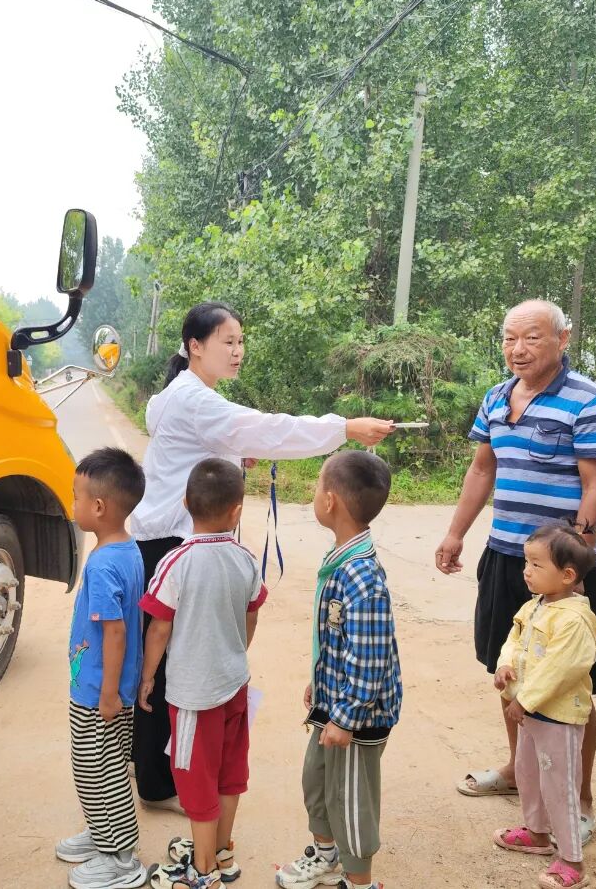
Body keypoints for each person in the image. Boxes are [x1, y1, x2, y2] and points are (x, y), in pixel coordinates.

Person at [129, 301, 393, 811]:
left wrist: (232, 454)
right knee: (177, 665)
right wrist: (345, 428)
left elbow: (212, 447)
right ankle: (162, 782)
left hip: (166, 543)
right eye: (227, 342)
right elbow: (271, 429)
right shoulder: (196, 401)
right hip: (176, 545)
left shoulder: (181, 394)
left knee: (167, 660)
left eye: (241, 342)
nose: (238, 351)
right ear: (195, 346)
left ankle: (156, 768)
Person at [434, 299, 596, 842]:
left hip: (564, 571)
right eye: (510, 338)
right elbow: (482, 469)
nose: (518, 349)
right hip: (506, 559)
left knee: (570, 684)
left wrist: (573, 564)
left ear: (563, 338)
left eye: (532, 337)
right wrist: (455, 532)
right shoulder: (496, 397)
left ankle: (580, 800)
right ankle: (520, 772)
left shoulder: (590, 402)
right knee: (509, 667)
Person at [137, 458, 267, 889]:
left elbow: (159, 627)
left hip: (194, 695)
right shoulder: (246, 559)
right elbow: (251, 615)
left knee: (195, 780)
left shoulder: (176, 563)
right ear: (237, 510)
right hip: (235, 686)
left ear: (185, 503)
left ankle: (203, 870)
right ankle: (221, 850)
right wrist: (236, 651)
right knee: (229, 773)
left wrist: (148, 676)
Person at [275, 450, 401, 889]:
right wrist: (320, 680)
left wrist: (346, 717)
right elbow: (340, 641)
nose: (314, 496)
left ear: (330, 501)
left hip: (355, 716)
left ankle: (359, 880)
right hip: (334, 705)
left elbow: (370, 658)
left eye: (316, 488)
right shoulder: (342, 557)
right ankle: (326, 856)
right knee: (318, 781)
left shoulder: (362, 576)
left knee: (350, 801)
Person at [54, 448, 148, 889]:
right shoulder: (126, 550)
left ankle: (121, 858)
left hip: (99, 693)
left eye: (76, 496)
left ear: (98, 507)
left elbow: (115, 632)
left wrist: (108, 693)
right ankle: (102, 835)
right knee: (97, 767)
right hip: (100, 687)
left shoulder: (105, 564)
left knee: (101, 772)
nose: (71, 503)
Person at [492, 525, 596, 889]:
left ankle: (572, 860)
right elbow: (514, 640)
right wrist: (504, 665)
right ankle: (537, 833)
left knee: (559, 786)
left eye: (536, 565)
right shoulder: (535, 606)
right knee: (528, 774)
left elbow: (562, 668)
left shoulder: (573, 620)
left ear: (567, 575)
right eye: (527, 562)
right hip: (531, 715)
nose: (526, 571)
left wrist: (524, 700)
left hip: (557, 718)